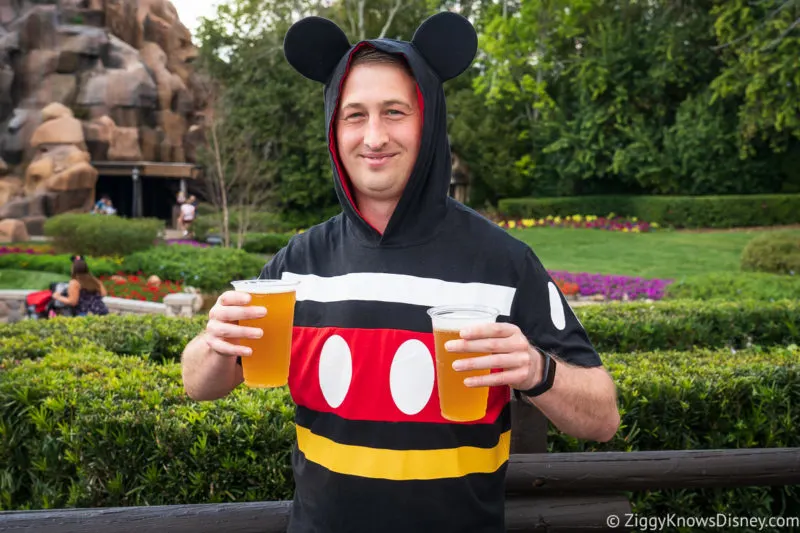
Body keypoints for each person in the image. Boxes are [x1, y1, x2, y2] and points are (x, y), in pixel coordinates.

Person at [181, 12, 620, 533]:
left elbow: (603, 418)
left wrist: (534, 369)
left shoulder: (504, 262)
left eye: (394, 112)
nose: (374, 136)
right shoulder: (298, 264)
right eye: (354, 115)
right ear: (332, 127)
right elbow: (198, 384)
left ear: (428, 119)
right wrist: (214, 342)